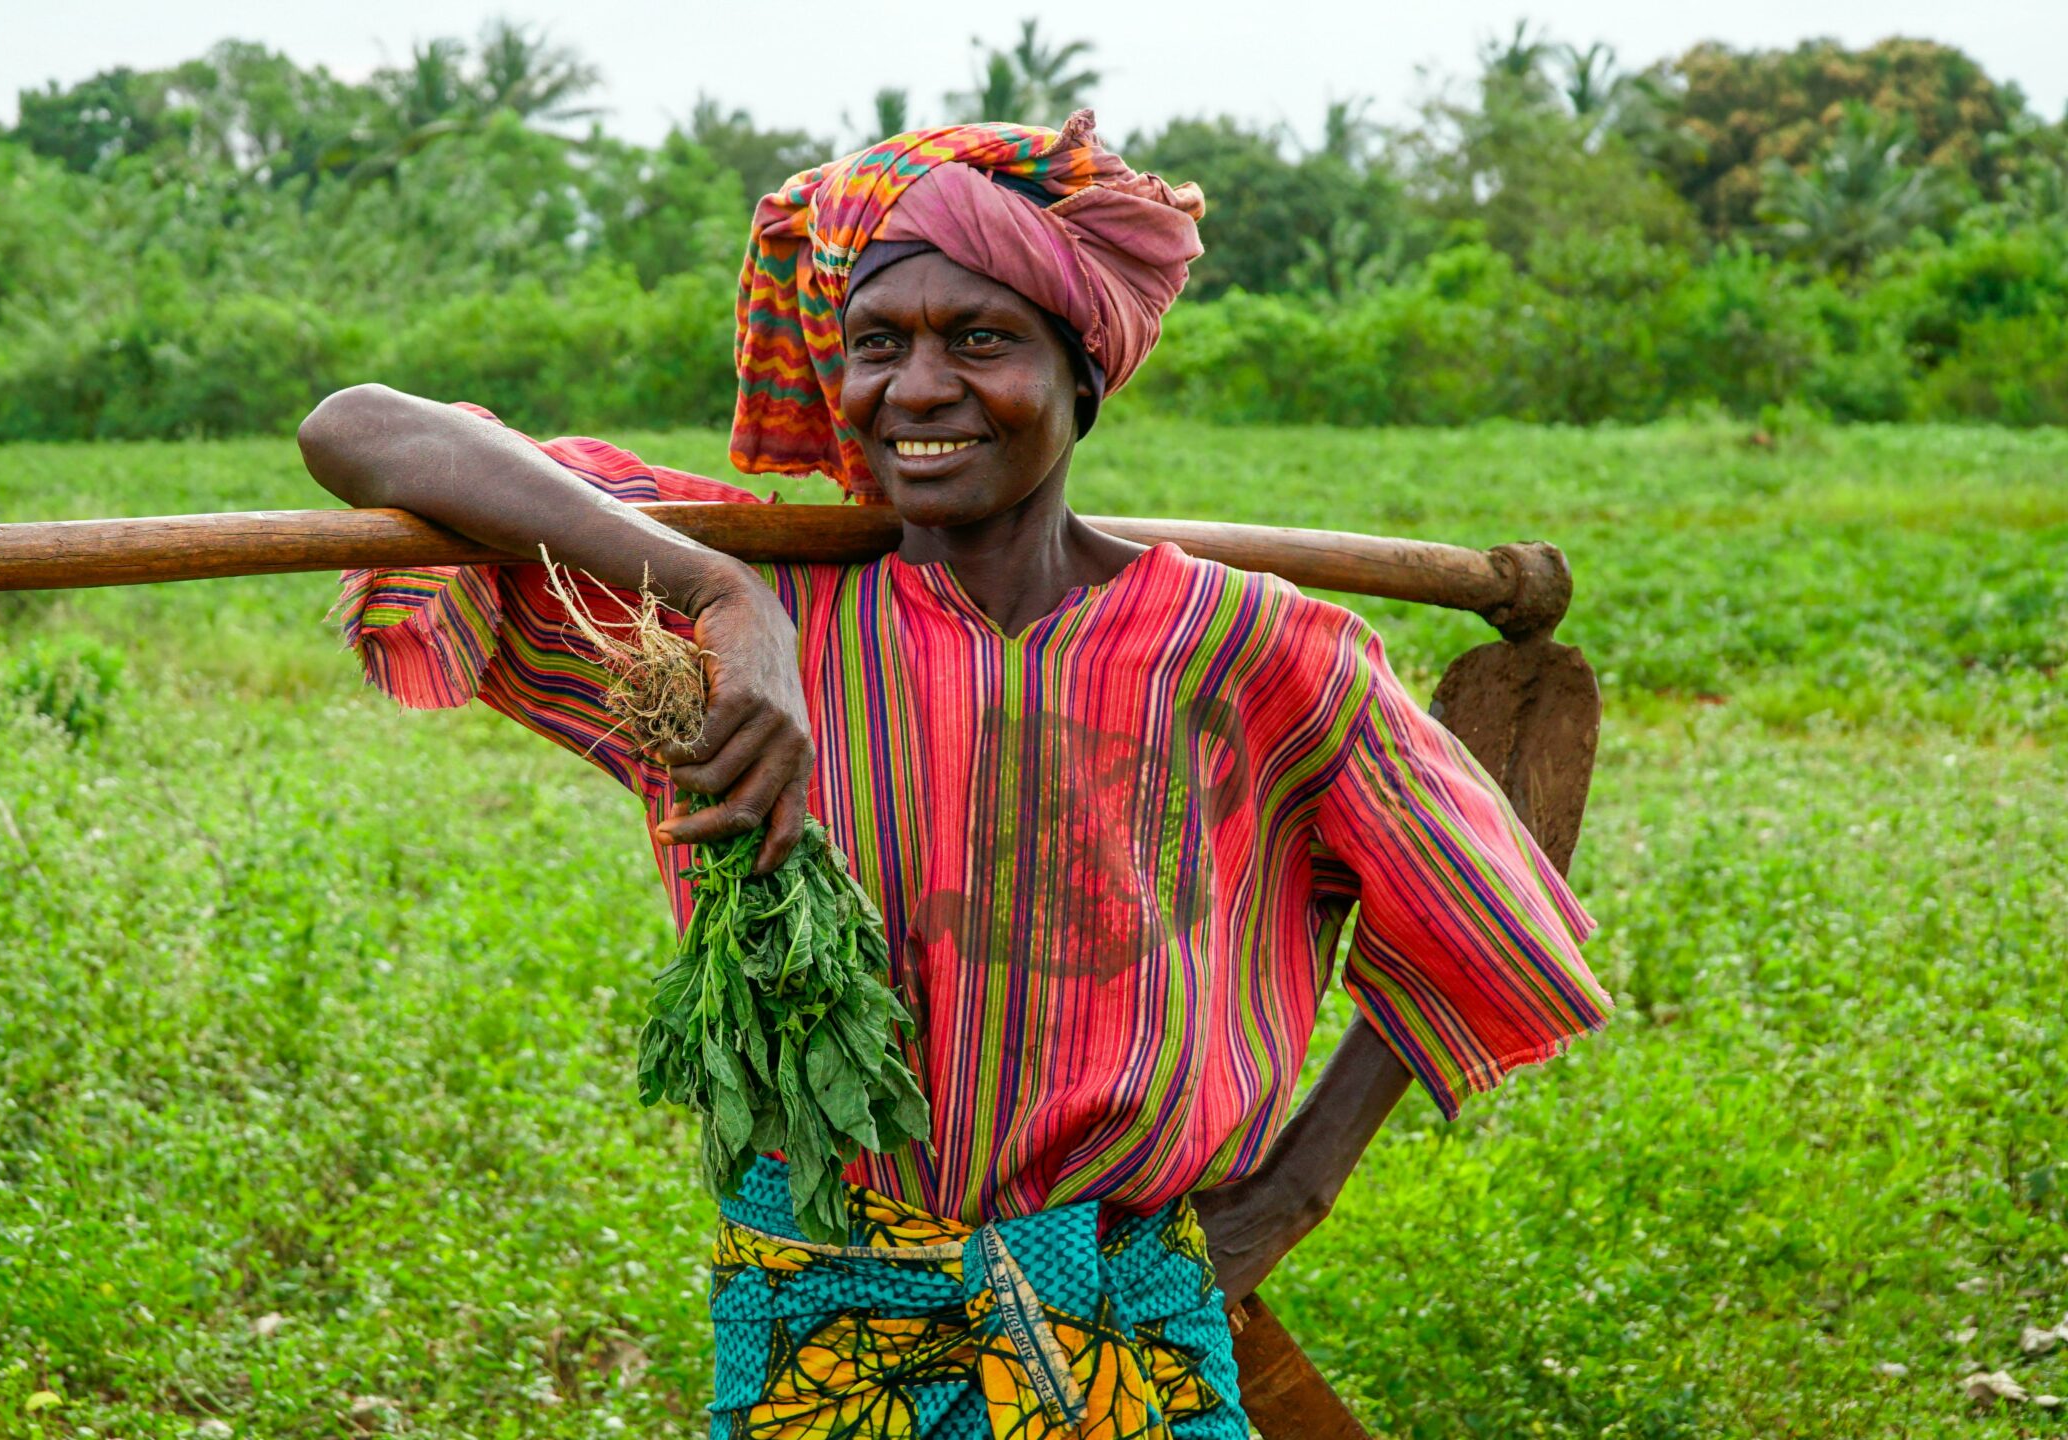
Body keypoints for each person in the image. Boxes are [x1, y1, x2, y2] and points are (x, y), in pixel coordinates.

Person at [298, 111, 1611, 1440]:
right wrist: (722, 591)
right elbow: (365, 430)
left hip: (1123, 1305)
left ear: (1081, 375)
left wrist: (1290, 1192)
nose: (916, 389)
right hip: (827, 1300)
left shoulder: (1252, 648)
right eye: (881, 345)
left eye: (980, 340)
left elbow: (1482, 908)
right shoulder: (741, 627)